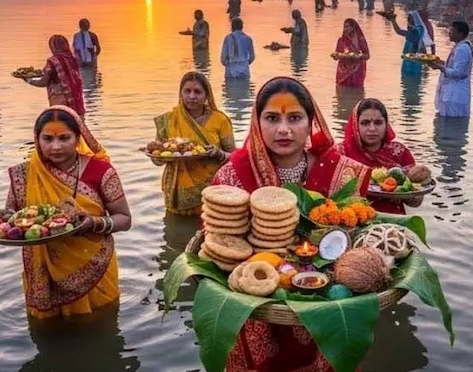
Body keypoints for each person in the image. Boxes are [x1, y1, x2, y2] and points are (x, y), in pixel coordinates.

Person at [210, 77, 371, 371]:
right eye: (272, 118)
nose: (283, 129)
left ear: (311, 122)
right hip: (254, 306)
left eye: (295, 118)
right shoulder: (231, 178)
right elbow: (219, 245)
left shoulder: (342, 172)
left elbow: (358, 239)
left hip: (324, 305)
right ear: (257, 122)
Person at [5, 106, 132, 319]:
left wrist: (93, 223)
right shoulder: (25, 174)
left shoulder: (100, 171)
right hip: (42, 269)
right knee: (48, 330)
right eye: (47, 139)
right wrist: (0, 222)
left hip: (94, 265)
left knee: (100, 322)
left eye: (65, 138)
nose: (55, 147)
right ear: (37, 139)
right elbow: (12, 217)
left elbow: (125, 219)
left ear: (78, 138)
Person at [154, 72, 235, 215]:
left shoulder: (220, 120)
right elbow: (158, 159)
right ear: (181, 93)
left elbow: (235, 158)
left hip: (212, 190)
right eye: (187, 91)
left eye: (197, 91)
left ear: (206, 95)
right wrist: (154, 153)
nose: (192, 96)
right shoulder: (169, 120)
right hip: (177, 192)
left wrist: (219, 154)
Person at [336, 99, 420, 214]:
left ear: (386, 125)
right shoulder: (341, 153)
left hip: (394, 222)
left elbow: (416, 201)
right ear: (355, 125)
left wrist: (406, 192)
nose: (372, 129)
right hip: (353, 219)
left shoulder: (399, 152)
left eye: (378, 122)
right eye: (365, 123)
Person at [24, 35, 86, 117]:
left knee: (62, 125)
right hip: (76, 101)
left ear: (52, 47)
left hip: (60, 102)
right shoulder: (73, 59)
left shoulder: (53, 61)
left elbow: (43, 82)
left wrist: (27, 80)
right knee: (77, 125)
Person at [429, 20, 472, 118]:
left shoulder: (462, 49)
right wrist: (441, 63)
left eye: (452, 31)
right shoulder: (459, 47)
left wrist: (440, 67)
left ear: (460, 33)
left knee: (451, 126)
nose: (449, 33)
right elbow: (455, 67)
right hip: (452, 94)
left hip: (455, 95)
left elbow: (458, 73)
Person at [390, 11, 434, 77]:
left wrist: (393, 20)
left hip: (410, 64)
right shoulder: (419, 31)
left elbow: (398, 31)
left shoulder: (414, 32)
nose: (408, 21)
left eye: (409, 19)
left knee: (408, 81)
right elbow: (423, 50)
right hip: (416, 63)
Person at [333, 18, 370, 87]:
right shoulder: (341, 40)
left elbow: (367, 56)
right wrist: (336, 55)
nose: (346, 29)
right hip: (342, 72)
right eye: (345, 27)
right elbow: (336, 56)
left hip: (357, 70)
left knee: (357, 92)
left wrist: (358, 56)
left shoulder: (360, 40)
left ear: (353, 27)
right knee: (341, 92)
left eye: (348, 26)